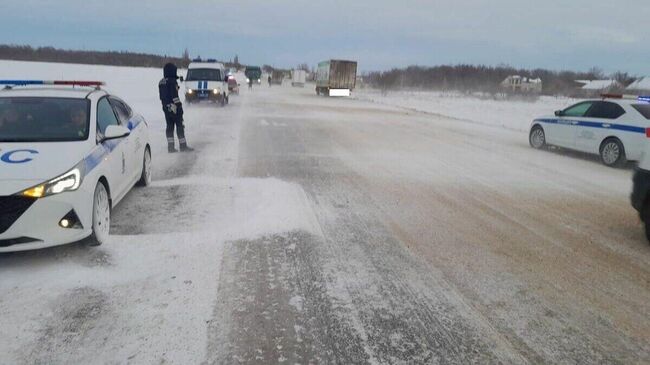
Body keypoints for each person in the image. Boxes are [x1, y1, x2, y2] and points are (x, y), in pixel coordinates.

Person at [159, 62, 193, 152]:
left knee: (169, 126)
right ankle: (183, 146)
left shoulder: (161, 82)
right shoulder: (172, 81)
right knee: (179, 126)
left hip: (165, 107)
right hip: (174, 107)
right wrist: (179, 107)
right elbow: (174, 97)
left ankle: (170, 147)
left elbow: (161, 96)